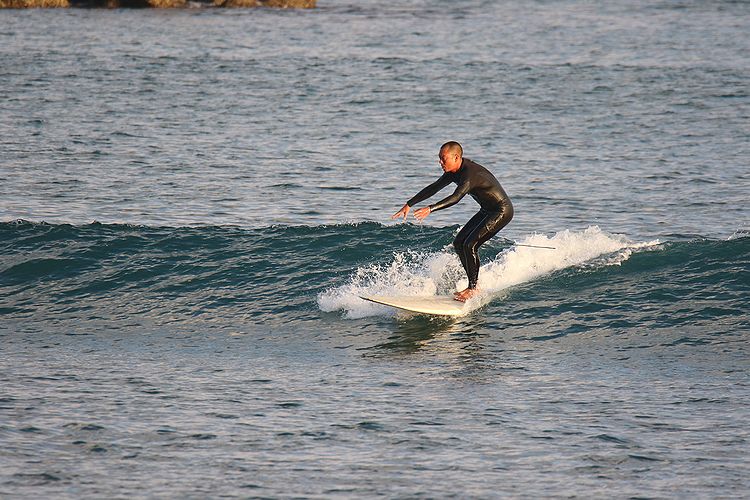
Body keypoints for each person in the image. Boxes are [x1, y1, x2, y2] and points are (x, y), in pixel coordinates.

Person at [392, 142, 513, 302]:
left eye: (443, 159)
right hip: (486, 210)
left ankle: (473, 288)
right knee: (459, 243)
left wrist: (431, 208)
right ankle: (473, 286)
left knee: (470, 244)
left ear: (456, 157)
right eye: (439, 158)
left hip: (501, 211)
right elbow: (434, 188)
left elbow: (456, 197)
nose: (440, 162)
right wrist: (409, 204)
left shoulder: (470, 174)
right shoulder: (453, 172)